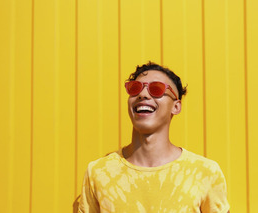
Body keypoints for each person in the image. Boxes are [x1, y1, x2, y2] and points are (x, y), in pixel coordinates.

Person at [78, 62, 230, 213]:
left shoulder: (205, 172)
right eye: (135, 88)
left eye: (156, 89)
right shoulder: (98, 172)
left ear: (176, 106)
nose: (142, 94)